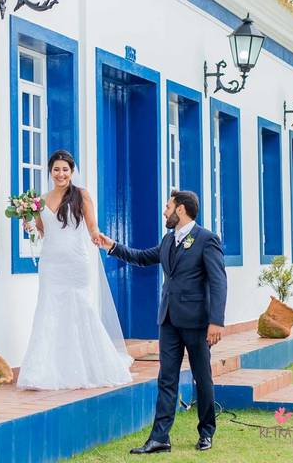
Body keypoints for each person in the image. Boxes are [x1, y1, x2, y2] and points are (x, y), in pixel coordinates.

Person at [97, 190, 227, 454]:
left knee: (202, 379)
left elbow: (218, 281)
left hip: (197, 322)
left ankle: (206, 432)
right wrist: (112, 247)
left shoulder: (206, 239)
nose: (165, 211)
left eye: (168, 207)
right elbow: (143, 257)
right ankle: (160, 438)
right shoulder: (168, 240)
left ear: (181, 210)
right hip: (168, 320)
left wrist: (217, 321)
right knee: (166, 379)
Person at [17, 150, 133, 390]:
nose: (60, 174)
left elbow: (92, 226)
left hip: (75, 262)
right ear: (50, 172)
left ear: (72, 172)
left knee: (79, 309)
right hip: (50, 264)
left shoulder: (81, 195)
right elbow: (41, 232)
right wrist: (28, 223)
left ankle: (89, 367)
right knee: (48, 310)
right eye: (56, 169)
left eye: (65, 169)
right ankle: (43, 372)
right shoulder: (40, 200)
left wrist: (96, 237)